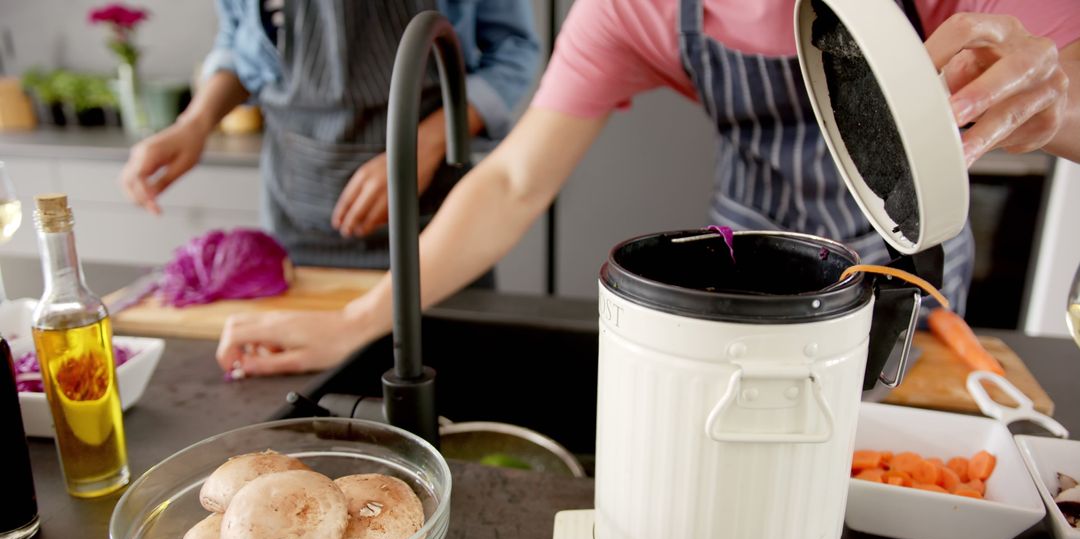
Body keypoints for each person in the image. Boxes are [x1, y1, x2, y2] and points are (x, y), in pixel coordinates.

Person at [217, 0, 1080, 376]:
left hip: (912, 308)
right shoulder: (638, 7)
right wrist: (359, 324)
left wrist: (1057, 102)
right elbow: (516, 179)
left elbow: (1066, 94)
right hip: (734, 296)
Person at [121, 0, 539, 269]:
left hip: (436, 220)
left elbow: (516, 52)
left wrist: (423, 145)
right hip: (297, 217)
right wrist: (194, 123)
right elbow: (243, 46)